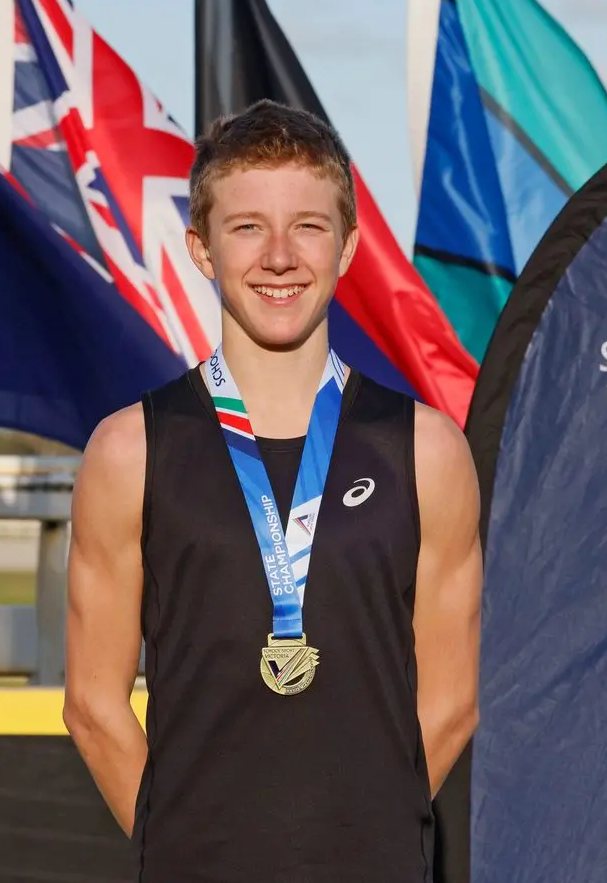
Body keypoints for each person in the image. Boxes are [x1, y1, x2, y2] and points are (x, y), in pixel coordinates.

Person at [62, 98, 483, 882]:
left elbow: (453, 698)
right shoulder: (130, 450)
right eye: (248, 225)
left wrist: (359, 837)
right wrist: (185, 846)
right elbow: (92, 703)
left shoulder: (426, 449)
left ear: (349, 245)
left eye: (309, 226)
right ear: (202, 248)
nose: (280, 255)